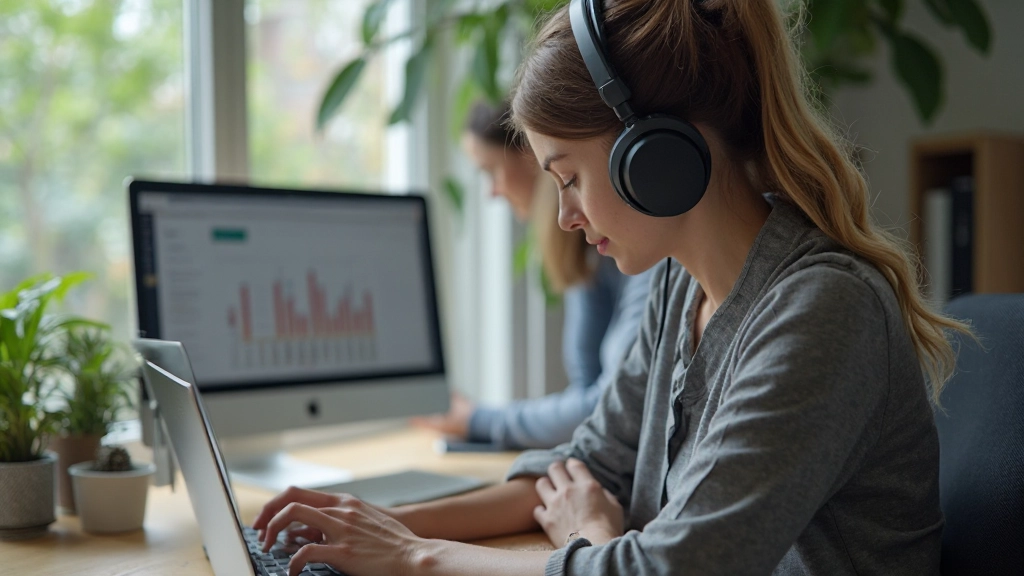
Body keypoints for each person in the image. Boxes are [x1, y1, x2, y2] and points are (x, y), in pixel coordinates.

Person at [253, 1, 971, 574]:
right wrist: (375, 527)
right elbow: (589, 467)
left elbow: (673, 567)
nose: (563, 216)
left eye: (569, 177)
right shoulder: (676, 287)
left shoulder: (822, 311)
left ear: (653, 157)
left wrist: (418, 556)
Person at [410, 99, 654, 450]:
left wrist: (479, 421)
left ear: (534, 156)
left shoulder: (652, 258)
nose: (492, 192)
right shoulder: (590, 249)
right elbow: (590, 395)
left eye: (490, 170)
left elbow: (606, 406)